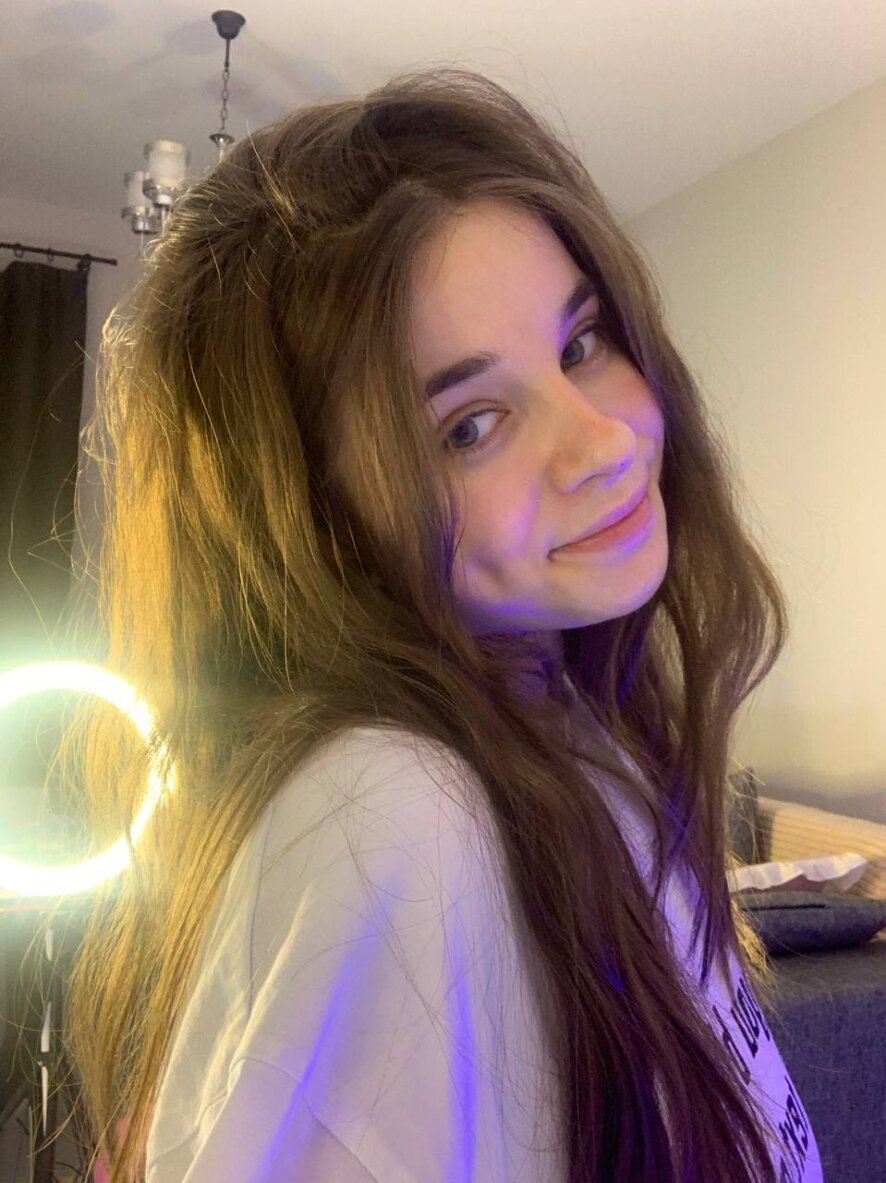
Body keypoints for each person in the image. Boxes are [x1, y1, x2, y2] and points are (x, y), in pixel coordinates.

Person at [56, 68, 823, 1182]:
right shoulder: (395, 814)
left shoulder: (577, 729)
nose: (604, 442)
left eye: (580, 343)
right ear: (320, 523)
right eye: (469, 425)